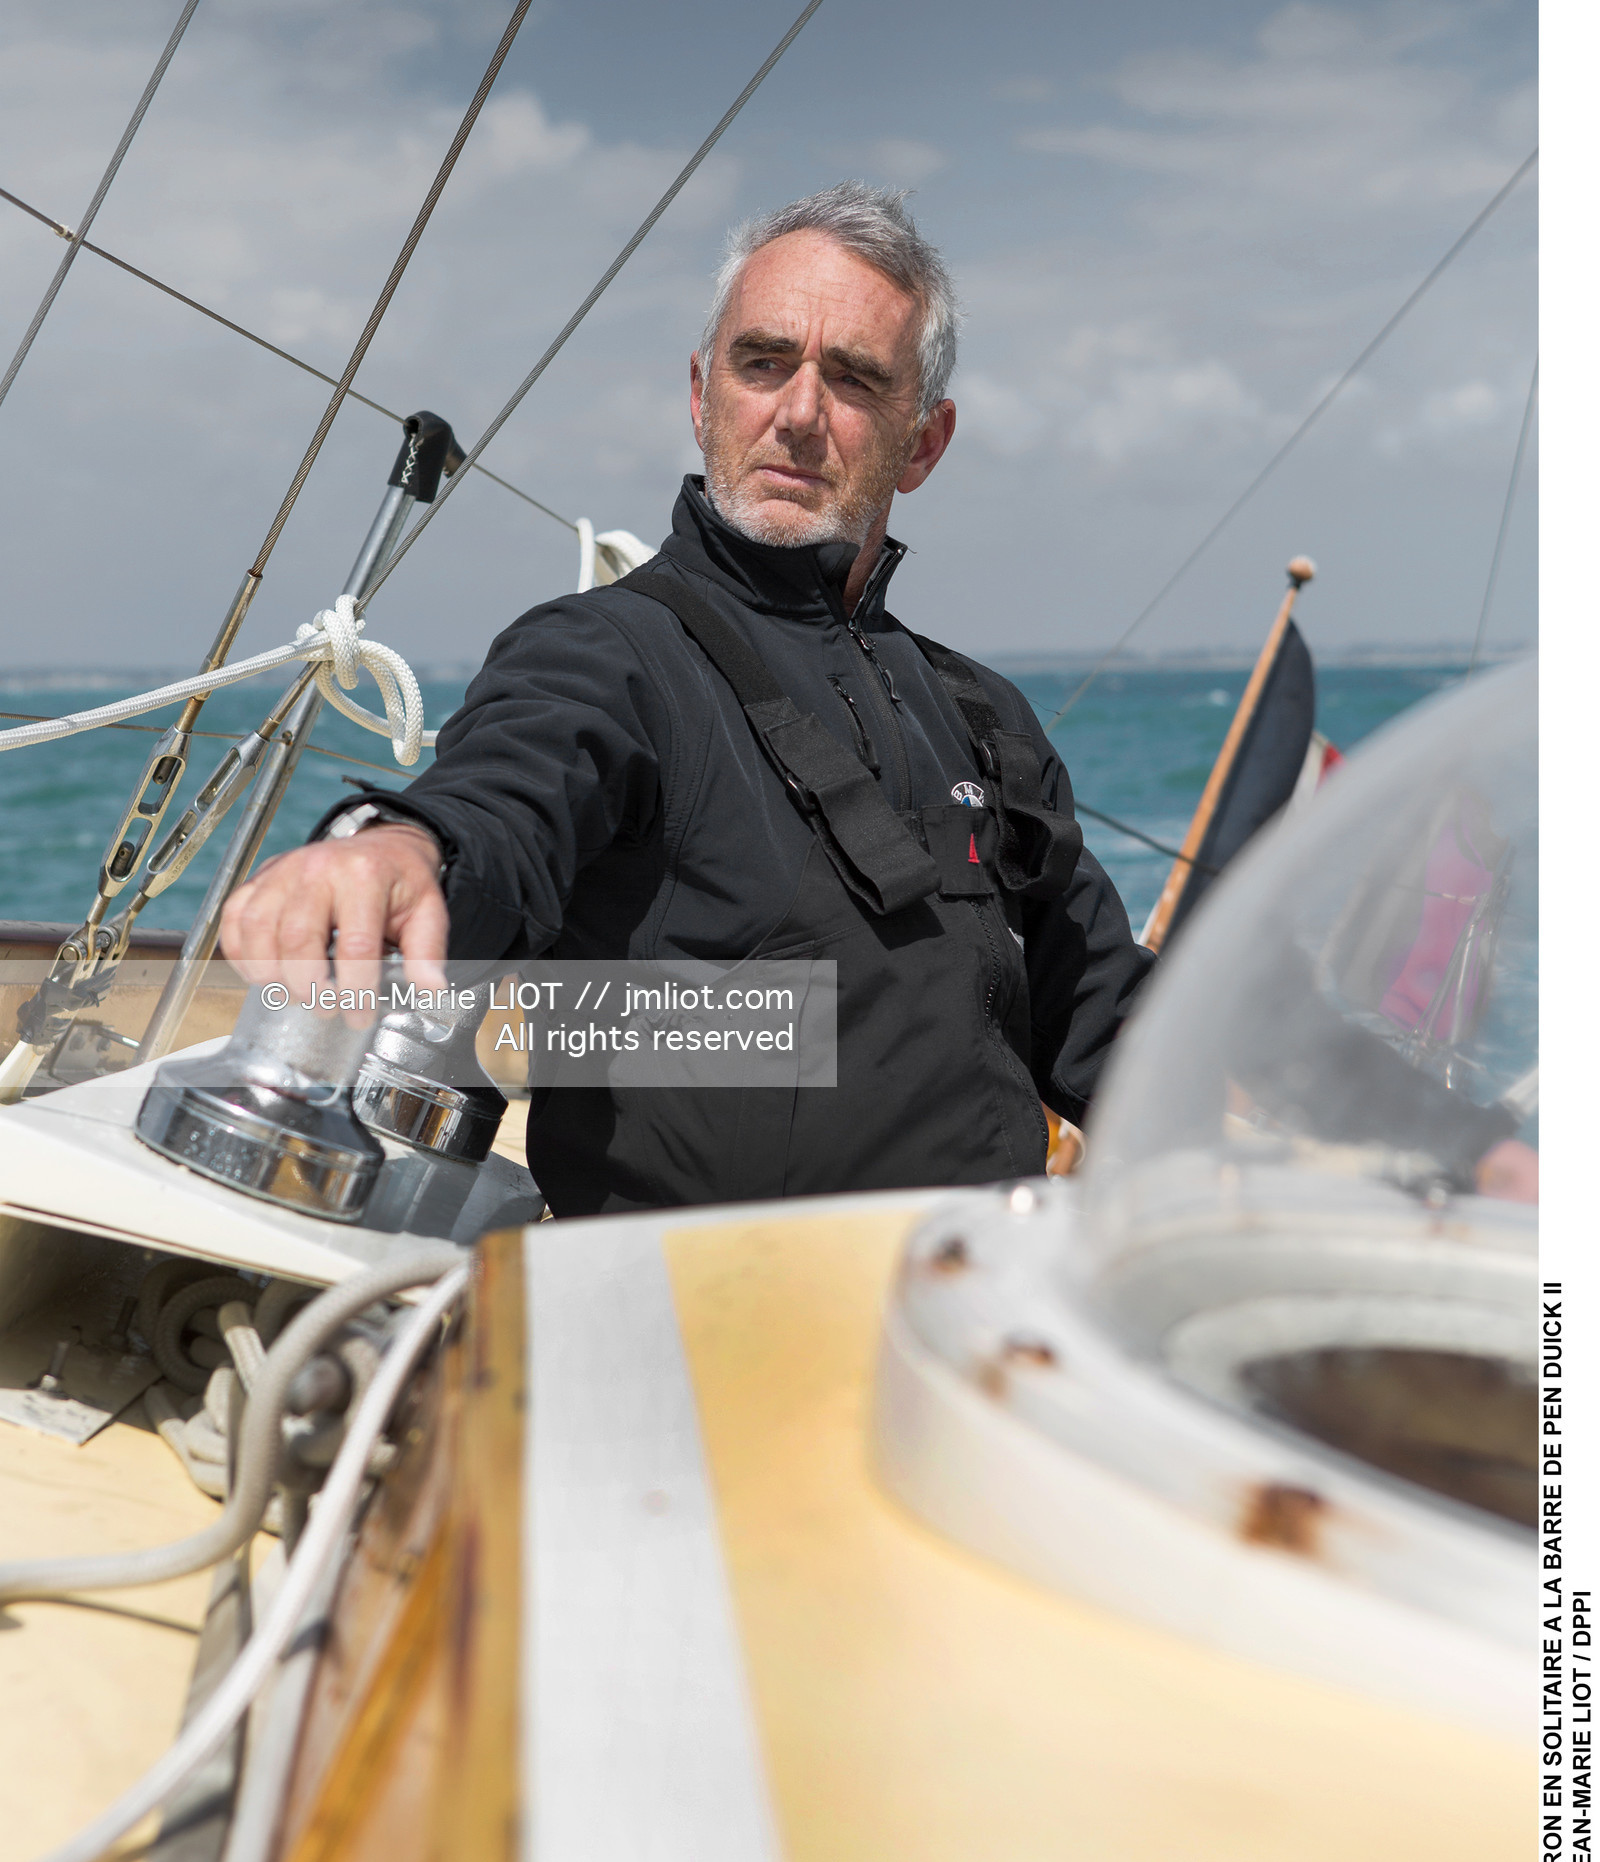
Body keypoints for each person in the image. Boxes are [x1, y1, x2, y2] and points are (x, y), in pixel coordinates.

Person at [221, 184, 1154, 1215]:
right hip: (703, 1319)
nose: (797, 414)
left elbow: (1110, 1022)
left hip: (980, 1314)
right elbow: (504, 803)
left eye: (851, 380)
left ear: (921, 443)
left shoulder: (984, 718)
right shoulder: (608, 652)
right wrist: (398, 848)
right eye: (764, 363)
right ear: (704, 395)